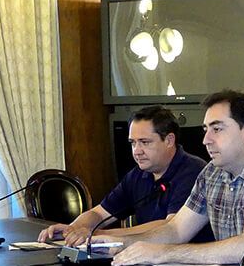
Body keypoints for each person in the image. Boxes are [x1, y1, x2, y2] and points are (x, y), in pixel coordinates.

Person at [97, 90, 244, 266]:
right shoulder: (212, 172)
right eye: (206, 130)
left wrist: (163, 253)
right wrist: (120, 243)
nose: (205, 140)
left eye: (217, 129)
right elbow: (177, 230)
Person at [37, 105, 211, 245]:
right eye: (133, 143)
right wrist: (73, 230)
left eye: (144, 142)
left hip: (187, 265)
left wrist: (97, 234)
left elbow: (170, 226)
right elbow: (99, 213)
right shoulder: (138, 174)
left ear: (169, 140)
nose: (137, 151)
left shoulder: (194, 171)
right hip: (146, 259)